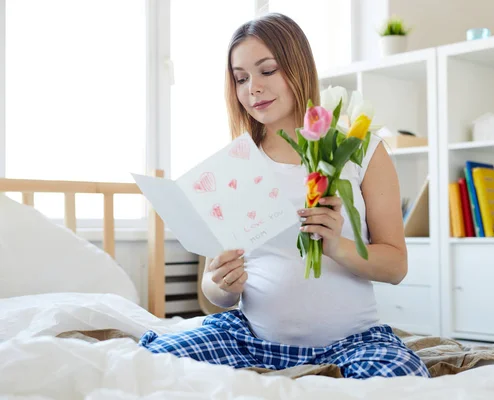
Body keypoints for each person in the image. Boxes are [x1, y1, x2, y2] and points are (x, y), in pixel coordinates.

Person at [139, 12, 430, 380]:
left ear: (298, 67)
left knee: (402, 374)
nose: (252, 89)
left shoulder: (362, 151)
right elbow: (214, 291)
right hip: (253, 340)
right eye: (241, 78)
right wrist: (222, 283)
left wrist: (337, 245)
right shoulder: (236, 164)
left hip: (351, 342)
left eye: (267, 70)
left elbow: (396, 267)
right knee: (152, 360)